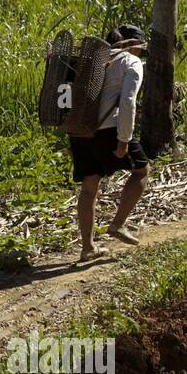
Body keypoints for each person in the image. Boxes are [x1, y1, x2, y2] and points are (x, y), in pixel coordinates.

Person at [71, 24, 151, 263]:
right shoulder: (131, 62)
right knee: (141, 171)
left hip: (78, 128)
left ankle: (88, 248)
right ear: (132, 45)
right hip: (109, 129)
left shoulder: (92, 60)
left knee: (89, 186)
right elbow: (128, 102)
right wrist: (124, 140)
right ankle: (117, 224)